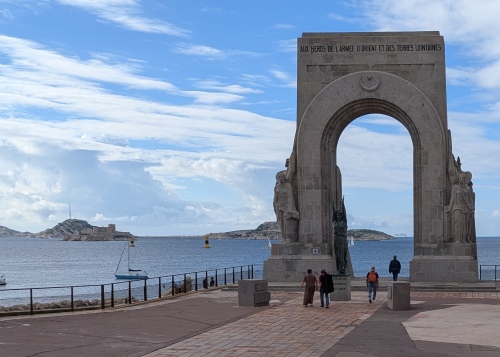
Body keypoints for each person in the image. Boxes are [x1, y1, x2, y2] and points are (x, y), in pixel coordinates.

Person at [273, 170, 299, 243]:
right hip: (278, 206)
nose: (280, 178)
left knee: (287, 223)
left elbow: (290, 197)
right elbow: (275, 198)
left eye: (282, 177)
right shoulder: (276, 187)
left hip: (287, 206)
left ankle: (289, 238)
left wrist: (291, 209)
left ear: (284, 178)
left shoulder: (288, 186)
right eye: (279, 177)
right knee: (281, 223)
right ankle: (283, 238)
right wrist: (275, 208)